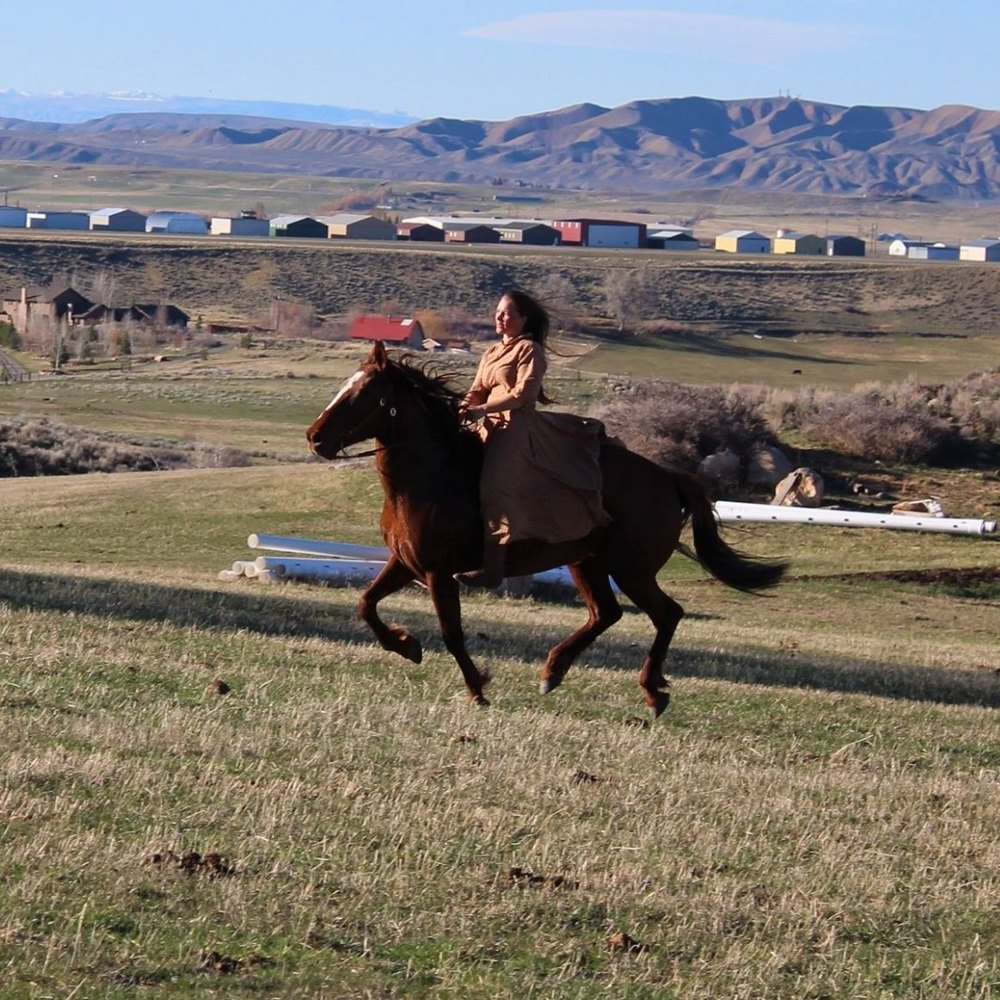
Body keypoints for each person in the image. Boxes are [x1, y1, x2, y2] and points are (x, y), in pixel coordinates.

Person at [455, 288, 610, 588]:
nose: (500, 318)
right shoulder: (491, 351)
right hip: (486, 424)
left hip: (515, 427)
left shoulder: (529, 350)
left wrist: (482, 409)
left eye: (507, 314)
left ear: (523, 319)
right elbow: (477, 389)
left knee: (495, 488)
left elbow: (522, 395)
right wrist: (464, 406)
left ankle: (493, 569)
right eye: (498, 313)